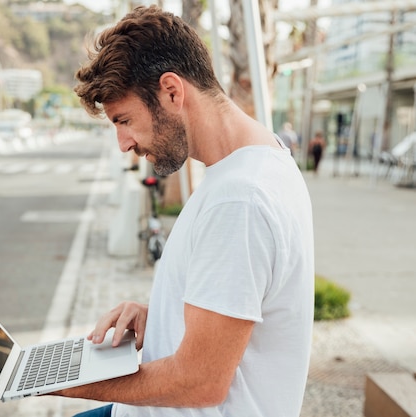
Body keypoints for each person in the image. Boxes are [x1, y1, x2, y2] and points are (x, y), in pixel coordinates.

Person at [54, 6, 315, 417]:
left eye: (124, 120)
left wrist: (66, 380)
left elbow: (201, 382)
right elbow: (240, 300)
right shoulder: (253, 162)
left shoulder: (240, 199)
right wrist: (160, 313)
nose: (123, 143)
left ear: (172, 91)